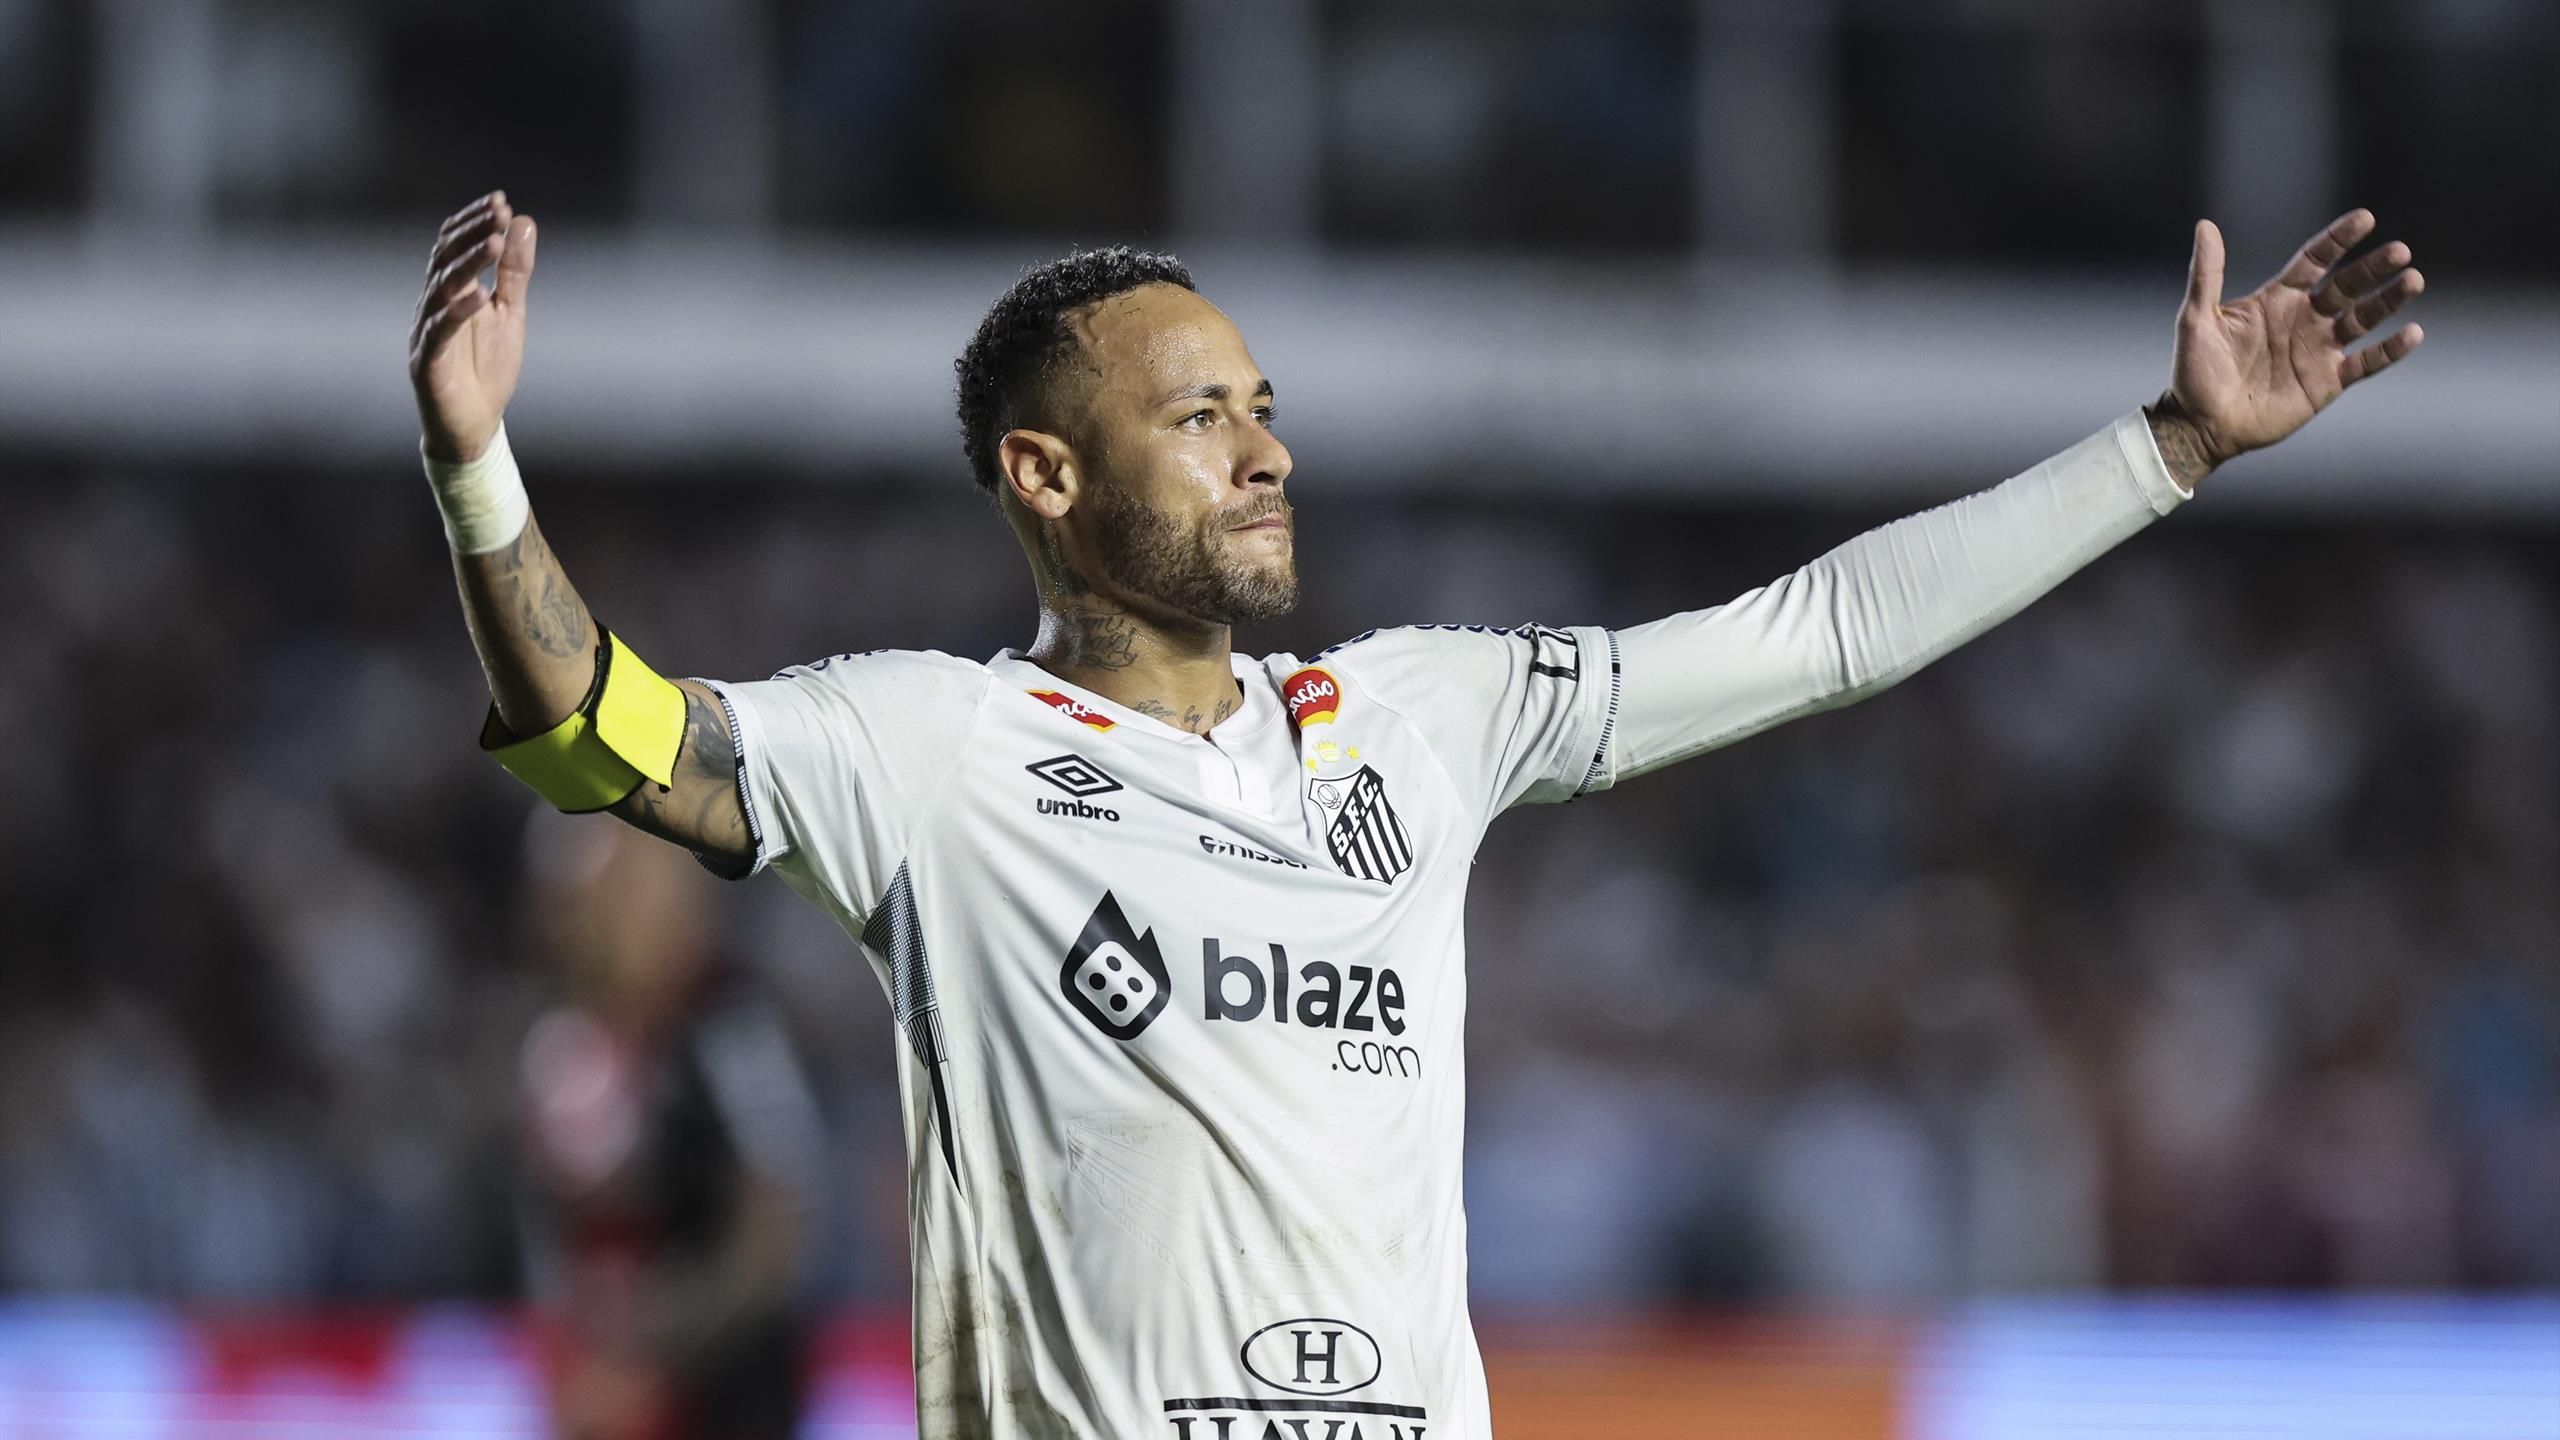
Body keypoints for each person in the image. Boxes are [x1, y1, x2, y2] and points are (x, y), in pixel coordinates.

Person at [405, 190, 2422, 1440]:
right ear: (1041, 474)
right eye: (1197, 417)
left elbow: (1816, 634)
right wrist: (478, 463)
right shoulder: (924, 753)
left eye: (1264, 408)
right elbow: (596, 731)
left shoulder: (1416, 717)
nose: (1265, 451)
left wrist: (2164, 450)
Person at [517, 817, 824, 1440]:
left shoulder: (731, 1029)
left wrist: (653, 1357)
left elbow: (774, 1229)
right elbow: (545, 1230)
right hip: (602, 1394)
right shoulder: (558, 1042)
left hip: (723, 1398)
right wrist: (575, 1356)